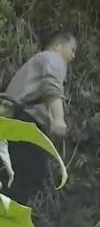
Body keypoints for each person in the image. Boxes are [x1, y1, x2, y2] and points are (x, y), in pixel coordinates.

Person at [0, 32, 77, 205]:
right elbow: (51, 86)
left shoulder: (34, 63)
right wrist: (58, 119)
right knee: (26, 177)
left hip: (11, 119)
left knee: (9, 176)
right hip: (26, 121)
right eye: (71, 49)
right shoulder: (53, 58)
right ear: (58, 46)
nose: (73, 56)